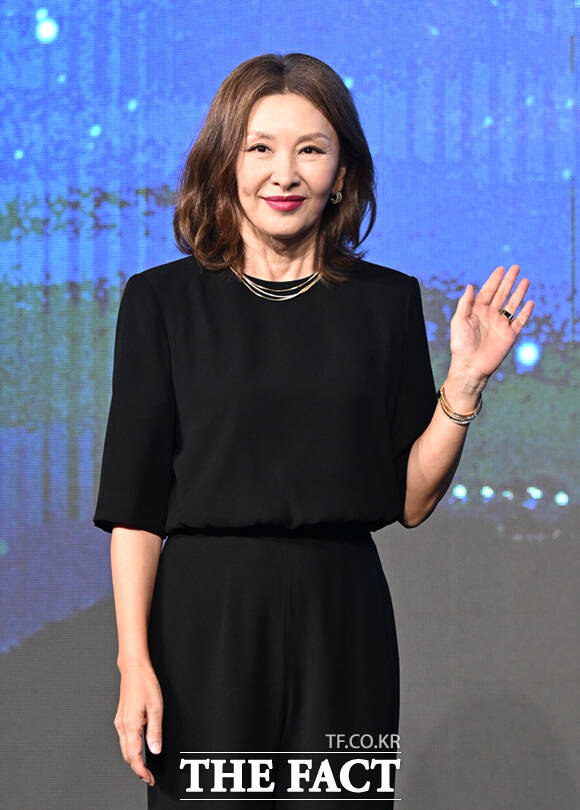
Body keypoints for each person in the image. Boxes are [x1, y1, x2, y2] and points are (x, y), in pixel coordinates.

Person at [93, 52, 534, 809]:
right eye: (260, 148)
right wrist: (135, 664)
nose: (284, 173)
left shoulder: (386, 303)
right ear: (226, 161)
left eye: (310, 149)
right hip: (207, 621)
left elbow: (411, 500)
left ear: (342, 171)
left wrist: (464, 383)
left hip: (344, 620)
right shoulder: (161, 302)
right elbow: (136, 508)